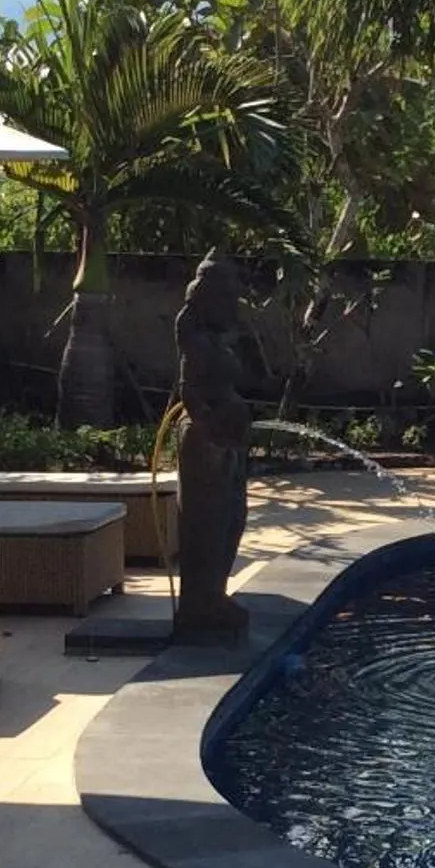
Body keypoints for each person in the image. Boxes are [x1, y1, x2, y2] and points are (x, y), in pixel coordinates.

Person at [171, 254, 251, 640]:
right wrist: (210, 428)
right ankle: (200, 605)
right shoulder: (198, 342)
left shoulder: (218, 338)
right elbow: (188, 391)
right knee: (207, 525)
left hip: (226, 440)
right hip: (206, 442)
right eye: (228, 298)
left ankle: (214, 595)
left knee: (232, 519)